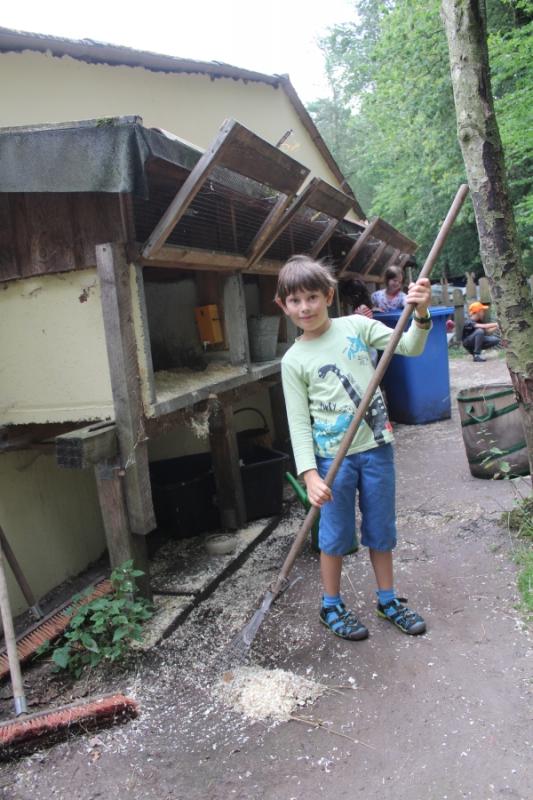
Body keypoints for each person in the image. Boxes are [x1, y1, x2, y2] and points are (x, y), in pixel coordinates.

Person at [275, 255, 432, 641]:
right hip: (332, 460)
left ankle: (388, 600)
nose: (305, 307)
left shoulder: (357, 327)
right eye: (295, 300)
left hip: (376, 448)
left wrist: (421, 313)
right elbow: (298, 423)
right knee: (334, 534)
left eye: (312, 297)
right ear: (283, 305)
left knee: (381, 528)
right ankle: (331, 606)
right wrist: (309, 475)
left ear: (328, 296)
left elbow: (409, 347)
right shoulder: (294, 361)